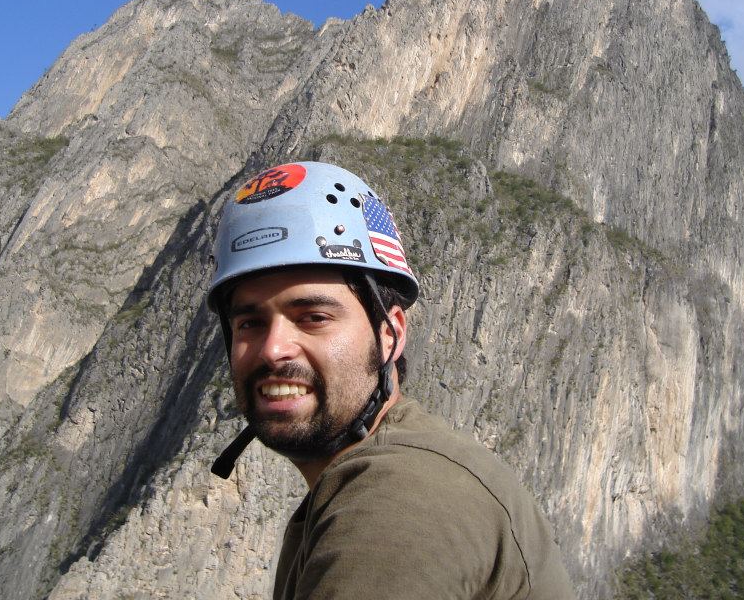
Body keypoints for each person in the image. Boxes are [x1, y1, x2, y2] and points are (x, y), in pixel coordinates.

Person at [207, 161, 575, 599]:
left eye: (314, 317)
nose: (273, 348)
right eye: (249, 323)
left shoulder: (397, 503)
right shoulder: (375, 479)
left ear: (390, 334)